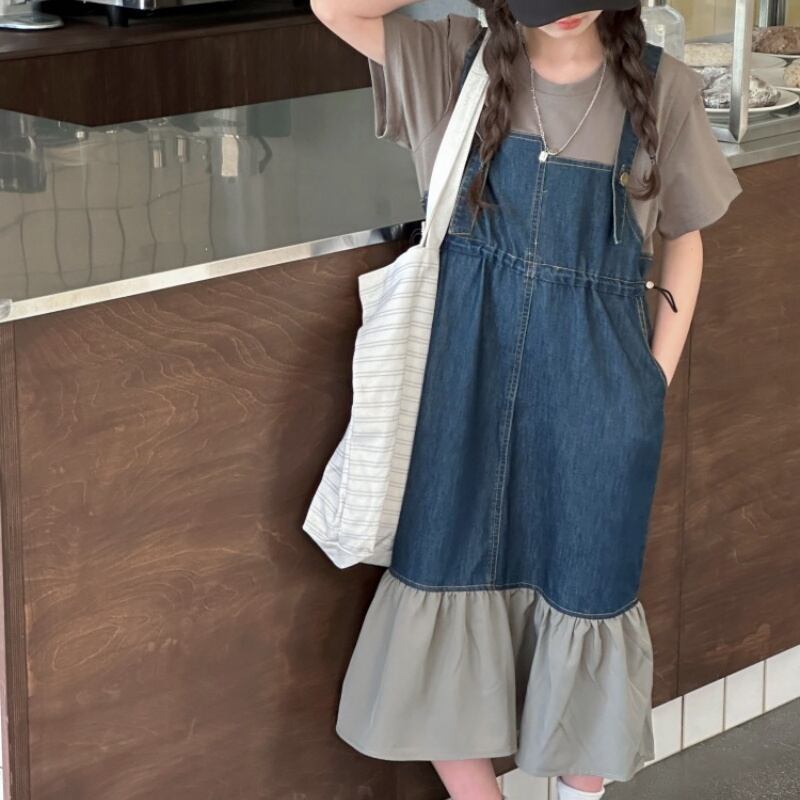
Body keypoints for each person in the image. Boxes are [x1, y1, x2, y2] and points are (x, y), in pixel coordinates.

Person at [309, 2, 743, 799]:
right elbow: (333, 8)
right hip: (461, 389)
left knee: (590, 592)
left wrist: (652, 378)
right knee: (441, 576)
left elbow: (686, 237)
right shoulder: (453, 63)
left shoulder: (663, 88)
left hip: (600, 398)